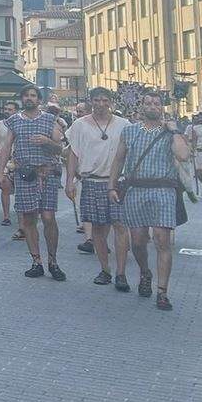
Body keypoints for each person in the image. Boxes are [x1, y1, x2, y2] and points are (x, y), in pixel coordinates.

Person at [108, 91, 191, 311]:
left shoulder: (171, 132)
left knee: (162, 241)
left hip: (164, 190)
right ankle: (145, 272)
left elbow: (183, 155)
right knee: (137, 241)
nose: (153, 106)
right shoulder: (130, 131)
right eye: (148, 102)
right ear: (141, 107)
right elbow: (118, 160)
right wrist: (111, 186)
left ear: (162, 107)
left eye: (157, 103)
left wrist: (174, 130)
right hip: (136, 189)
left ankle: (162, 292)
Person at [63, 87, 129, 287]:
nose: (101, 104)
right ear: (90, 101)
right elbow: (73, 154)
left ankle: (121, 274)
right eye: (97, 100)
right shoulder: (79, 125)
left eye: (104, 100)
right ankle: (105, 270)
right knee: (98, 230)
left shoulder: (124, 124)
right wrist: (69, 182)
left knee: (120, 226)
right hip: (91, 181)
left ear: (110, 101)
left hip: (117, 182)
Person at [4, 85, 67, 281]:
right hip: (25, 174)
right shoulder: (14, 121)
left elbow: (62, 149)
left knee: (48, 218)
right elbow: (6, 147)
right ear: (22, 99)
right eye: (26, 95)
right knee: (28, 219)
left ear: (39, 99)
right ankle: (36, 261)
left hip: (47, 173)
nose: (29, 98)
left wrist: (47, 142)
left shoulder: (50, 120)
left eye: (33, 95)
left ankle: (53, 261)